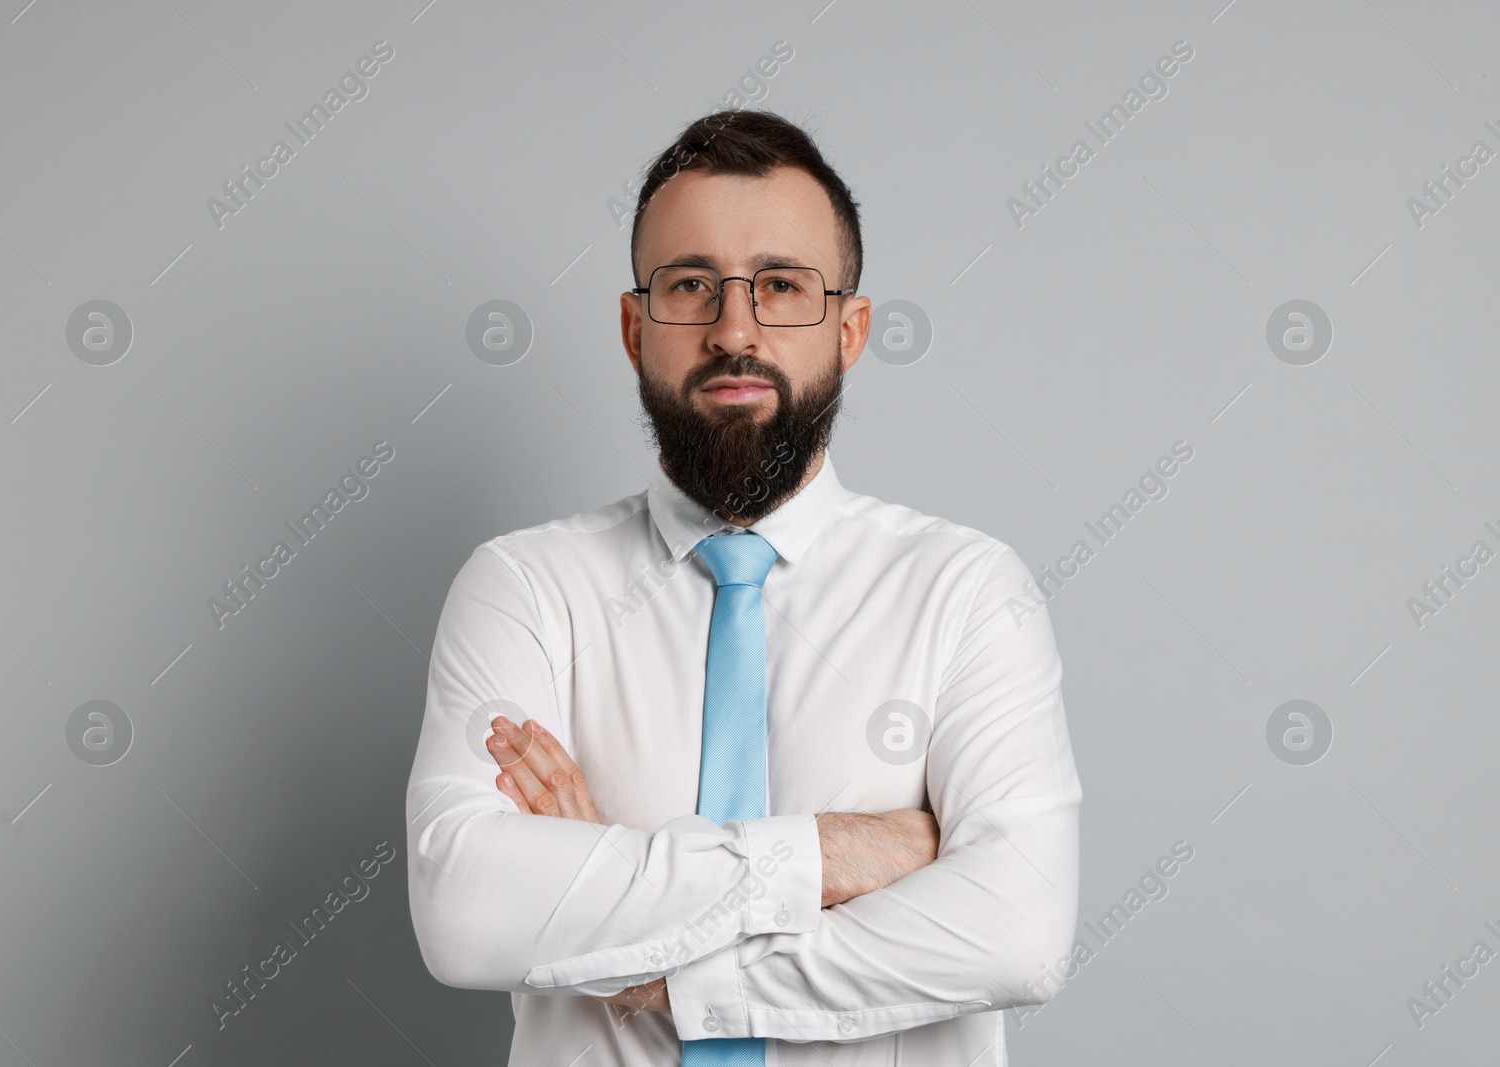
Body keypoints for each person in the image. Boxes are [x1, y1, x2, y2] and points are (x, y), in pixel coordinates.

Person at [405, 108, 1081, 1066]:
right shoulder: (523, 588)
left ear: (849, 330)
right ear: (636, 328)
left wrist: (623, 927)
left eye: (780, 285)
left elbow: (1019, 930)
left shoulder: (969, 591)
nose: (734, 329)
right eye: (691, 285)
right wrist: (835, 854)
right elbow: (468, 911)